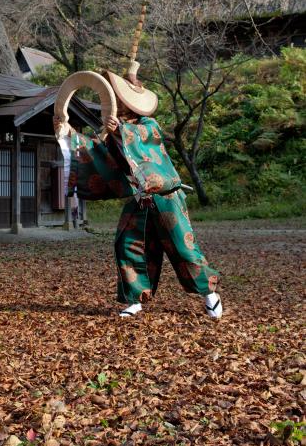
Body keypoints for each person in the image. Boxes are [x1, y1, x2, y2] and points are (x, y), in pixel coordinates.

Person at [54, 68, 222, 320]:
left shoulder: (148, 125)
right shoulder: (112, 132)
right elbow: (94, 151)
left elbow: (146, 140)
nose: (111, 104)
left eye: (117, 99)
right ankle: (134, 299)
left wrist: (120, 130)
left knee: (182, 248)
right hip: (138, 199)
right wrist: (67, 132)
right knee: (127, 244)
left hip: (166, 198)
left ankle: (209, 294)